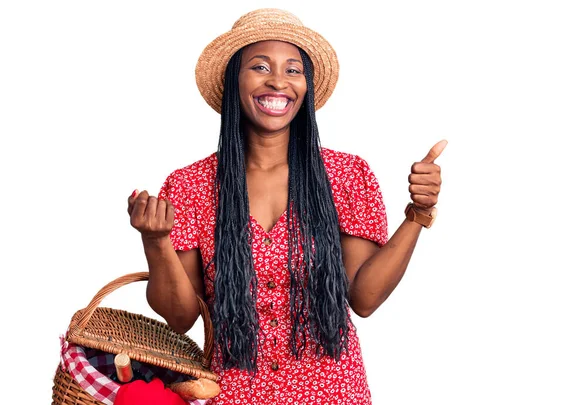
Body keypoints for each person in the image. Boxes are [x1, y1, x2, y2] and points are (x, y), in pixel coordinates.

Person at [127, 8, 446, 405]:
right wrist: (156, 242)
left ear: (306, 87)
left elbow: (363, 299)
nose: (278, 80)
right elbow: (180, 317)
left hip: (334, 392)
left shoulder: (346, 175)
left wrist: (417, 213)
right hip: (233, 395)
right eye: (260, 67)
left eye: (293, 70)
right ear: (234, 82)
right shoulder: (190, 185)